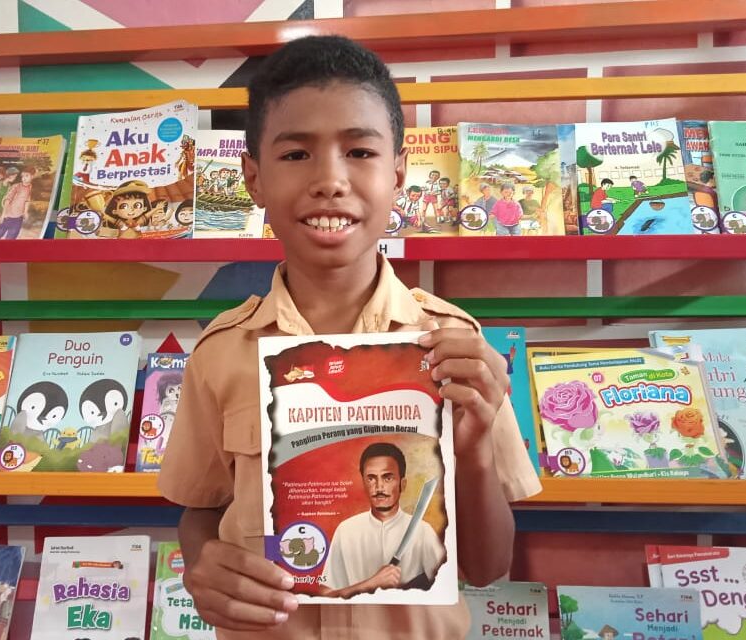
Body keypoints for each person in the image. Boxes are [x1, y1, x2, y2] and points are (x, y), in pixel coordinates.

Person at [158, 35, 540, 639]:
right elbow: (201, 509)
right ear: (253, 179)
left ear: (399, 173)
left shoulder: (453, 344)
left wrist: (472, 453)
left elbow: (490, 568)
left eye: (359, 151)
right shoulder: (221, 351)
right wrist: (204, 566)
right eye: (295, 156)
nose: (330, 181)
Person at [321, 443, 446, 597]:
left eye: (388, 478)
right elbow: (326, 594)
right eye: (371, 478)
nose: (379, 487)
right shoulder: (345, 530)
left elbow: (445, 586)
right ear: (363, 483)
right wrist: (371, 584)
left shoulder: (423, 531)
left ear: (402, 484)